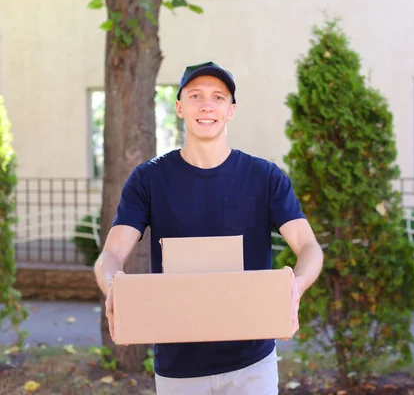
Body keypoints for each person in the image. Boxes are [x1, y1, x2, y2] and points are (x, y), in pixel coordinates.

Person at [93, 61, 324, 394]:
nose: (206, 105)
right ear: (179, 107)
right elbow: (112, 253)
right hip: (179, 367)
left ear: (231, 111)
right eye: (196, 96)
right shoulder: (149, 179)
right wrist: (112, 284)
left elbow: (308, 246)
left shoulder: (265, 177)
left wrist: (298, 286)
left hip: (252, 363)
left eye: (218, 97)